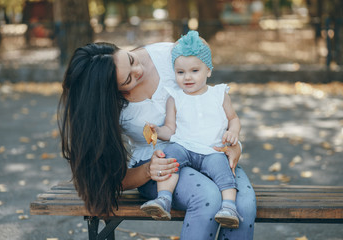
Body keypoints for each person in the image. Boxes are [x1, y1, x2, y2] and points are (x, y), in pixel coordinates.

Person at [58, 36, 256, 240]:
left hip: (208, 150)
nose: (139, 72)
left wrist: (235, 145)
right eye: (128, 80)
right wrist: (147, 171)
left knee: (244, 204)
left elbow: (210, 105)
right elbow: (107, 179)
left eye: (132, 59)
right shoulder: (105, 108)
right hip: (159, 164)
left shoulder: (169, 55)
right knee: (206, 196)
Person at [140, 30, 242, 229]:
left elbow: (233, 118)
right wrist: (157, 131)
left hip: (212, 150)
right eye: (180, 72)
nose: (187, 77)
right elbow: (170, 130)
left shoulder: (219, 94)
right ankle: (163, 199)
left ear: (208, 70)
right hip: (184, 146)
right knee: (168, 156)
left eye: (195, 71)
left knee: (224, 170)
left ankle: (229, 207)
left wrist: (233, 132)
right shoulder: (175, 97)